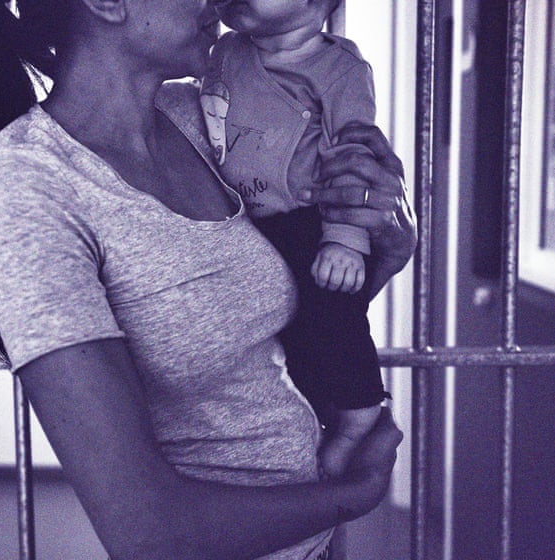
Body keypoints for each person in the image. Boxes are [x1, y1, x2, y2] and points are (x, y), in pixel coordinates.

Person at [0, 1, 415, 559]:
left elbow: (262, 327)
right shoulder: (28, 183)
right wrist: (351, 495)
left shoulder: (204, 117)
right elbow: (147, 533)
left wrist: (381, 249)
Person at [200, 0, 388, 478]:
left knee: (332, 316)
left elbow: (355, 153)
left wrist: (346, 237)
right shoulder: (226, 50)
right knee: (280, 336)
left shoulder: (339, 68)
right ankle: (304, 415)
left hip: (312, 223)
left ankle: (359, 409)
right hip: (244, 222)